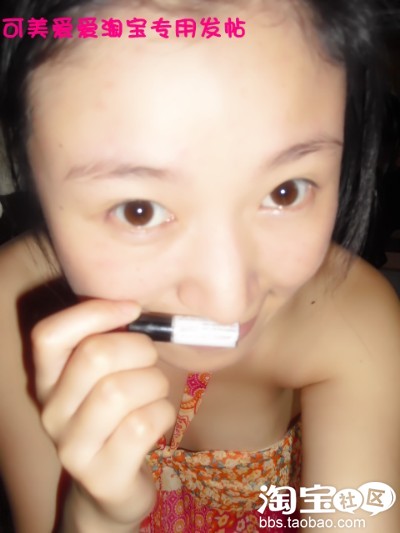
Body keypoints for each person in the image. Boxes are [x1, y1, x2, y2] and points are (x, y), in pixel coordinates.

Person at [0, 0, 399, 531]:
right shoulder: (14, 307)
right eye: (138, 210)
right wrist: (93, 516)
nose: (229, 301)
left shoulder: (356, 323)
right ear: (29, 172)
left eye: (286, 191)